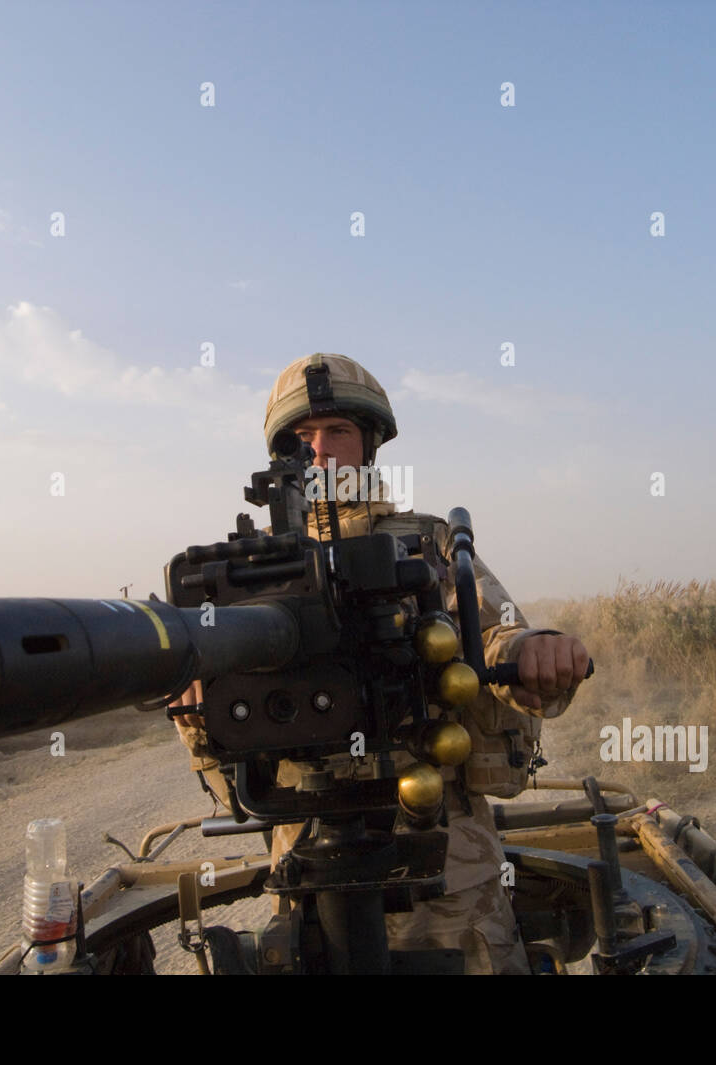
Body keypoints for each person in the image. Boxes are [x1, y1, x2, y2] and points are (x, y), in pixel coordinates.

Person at [171, 352, 589, 973]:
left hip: (447, 865)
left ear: (368, 445)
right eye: (302, 439)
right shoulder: (249, 575)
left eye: (336, 431)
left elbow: (494, 640)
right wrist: (191, 702)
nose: (319, 452)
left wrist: (535, 653)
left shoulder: (426, 545)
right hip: (310, 863)